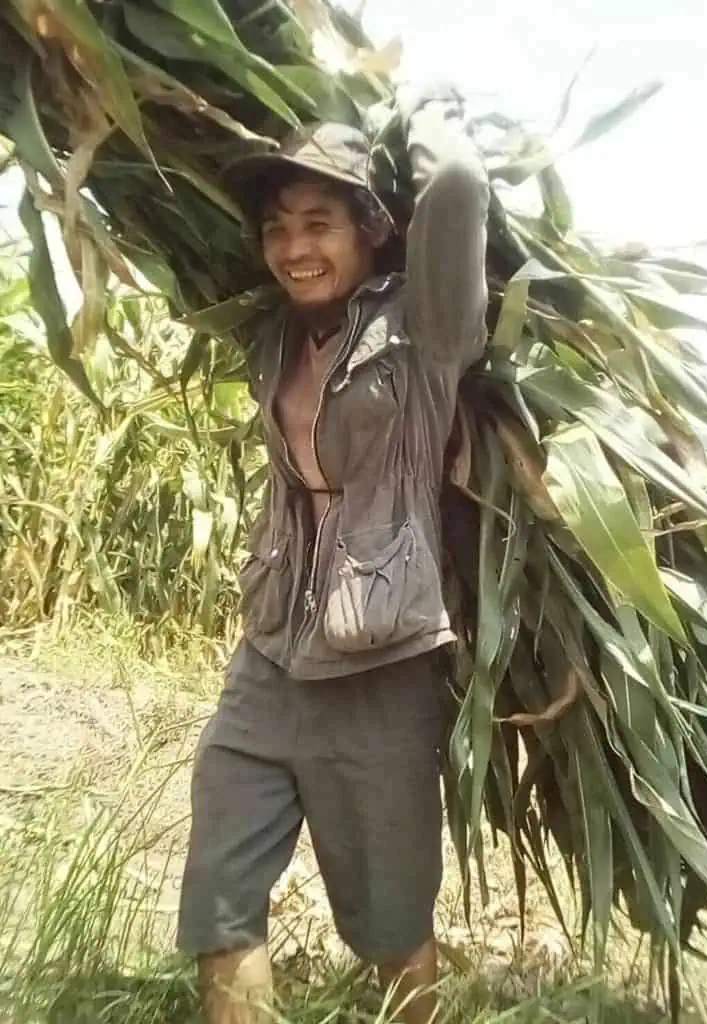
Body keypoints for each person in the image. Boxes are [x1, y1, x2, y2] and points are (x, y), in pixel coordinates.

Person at [177, 84, 490, 1024]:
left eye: (320, 222)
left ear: (375, 229)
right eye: (277, 227)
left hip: (380, 661)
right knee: (220, 896)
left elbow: (461, 184)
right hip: (270, 652)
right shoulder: (277, 337)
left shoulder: (426, 332)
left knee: (391, 919)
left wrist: (431, 109)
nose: (294, 247)